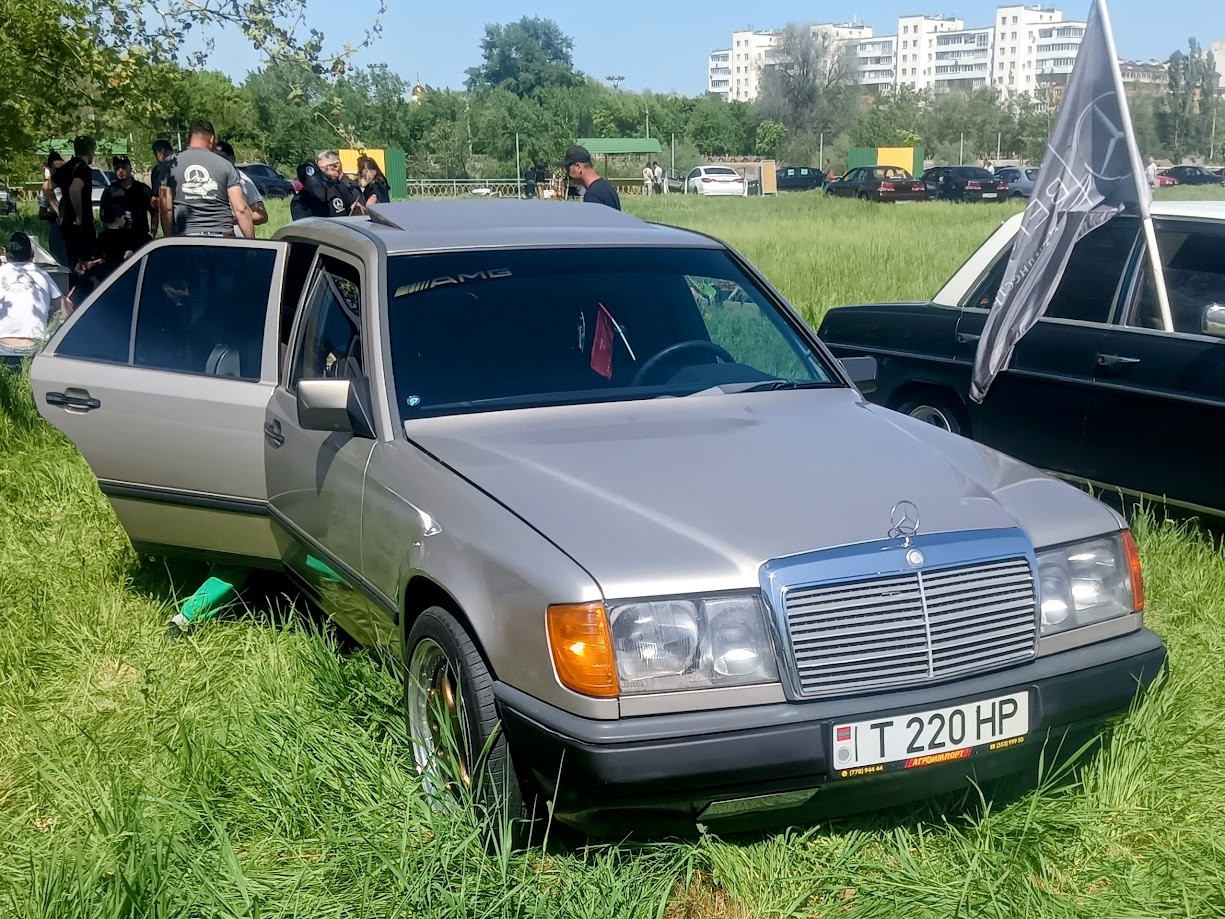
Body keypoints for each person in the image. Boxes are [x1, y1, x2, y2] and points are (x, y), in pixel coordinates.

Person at [159, 119, 253, 239]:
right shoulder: (225, 165)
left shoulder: (170, 164)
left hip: (185, 239)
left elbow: (165, 208)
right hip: (222, 238)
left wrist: (169, 239)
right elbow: (241, 209)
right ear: (212, 139)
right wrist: (252, 243)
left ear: (189, 138)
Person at [0, 232, 67, 366]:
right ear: (32, 253)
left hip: (2, 347)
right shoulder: (42, 274)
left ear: (6, 255)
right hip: (33, 348)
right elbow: (65, 312)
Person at [54, 136, 97, 283]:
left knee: (71, 261)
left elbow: (47, 188)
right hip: (81, 224)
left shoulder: (67, 167)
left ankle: (72, 289)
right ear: (91, 151)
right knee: (85, 263)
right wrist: (79, 215)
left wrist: (56, 207)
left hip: (65, 221)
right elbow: (74, 189)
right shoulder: (83, 169)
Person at [214, 140, 268, 235]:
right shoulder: (206, 180)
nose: (219, 164)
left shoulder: (243, 181)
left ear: (232, 159)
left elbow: (262, 216)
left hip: (238, 241)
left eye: (223, 159)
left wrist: (239, 217)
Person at [291, 151, 365, 220]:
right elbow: (302, 230)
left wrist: (357, 212)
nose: (317, 190)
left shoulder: (338, 187)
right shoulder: (300, 202)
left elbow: (357, 208)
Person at [105, 154, 156, 245]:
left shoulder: (143, 189)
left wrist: (153, 234)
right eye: (117, 168)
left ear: (130, 168)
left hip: (140, 238)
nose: (120, 170)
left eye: (124, 167)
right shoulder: (109, 191)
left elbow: (154, 212)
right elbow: (103, 215)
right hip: (117, 239)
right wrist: (116, 221)